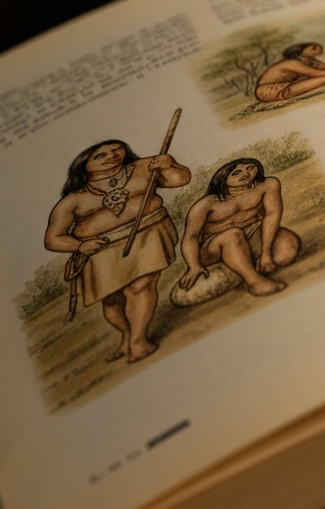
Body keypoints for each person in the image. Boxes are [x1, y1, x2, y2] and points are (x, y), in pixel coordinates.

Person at [45, 140, 191, 363]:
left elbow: (180, 179)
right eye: (100, 155)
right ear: (83, 164)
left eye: (116, 149)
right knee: (112, 302)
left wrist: (169, 164)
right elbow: (52, 239)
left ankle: (138, 340)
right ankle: (127, 335)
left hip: (147, 236)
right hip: (101, 251)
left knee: (141, 286)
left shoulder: (145, 167)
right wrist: (80, 246)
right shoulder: (74, 199)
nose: (111, 156)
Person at [178, 158, 301, 297]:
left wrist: (266, 253)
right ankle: (255, 283)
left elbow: (272, 214)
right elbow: (191, 236)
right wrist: (193, 266)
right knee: (233, 234)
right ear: (223, 178)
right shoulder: (206, 204)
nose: (246, 174)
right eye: (236, 172)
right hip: (213, 248)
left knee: (286, 252)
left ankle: (243, 265)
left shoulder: (268, 185)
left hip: (252, 235)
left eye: (250, 168)